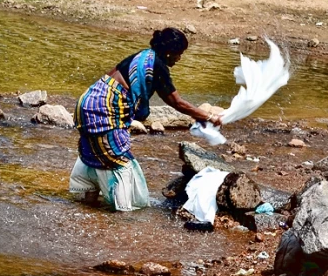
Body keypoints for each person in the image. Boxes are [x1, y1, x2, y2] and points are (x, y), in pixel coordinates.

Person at [69, 27, 223, 211]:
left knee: (97, 154)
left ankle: (87, 205)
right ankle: (123, 212)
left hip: (87, 102)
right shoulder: (157, 65)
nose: (179, 59)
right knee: (119, 162)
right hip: (104, 110)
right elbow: (176, 102)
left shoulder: (143, 56)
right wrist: (209, 116)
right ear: (168, 52)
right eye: (178, 54)